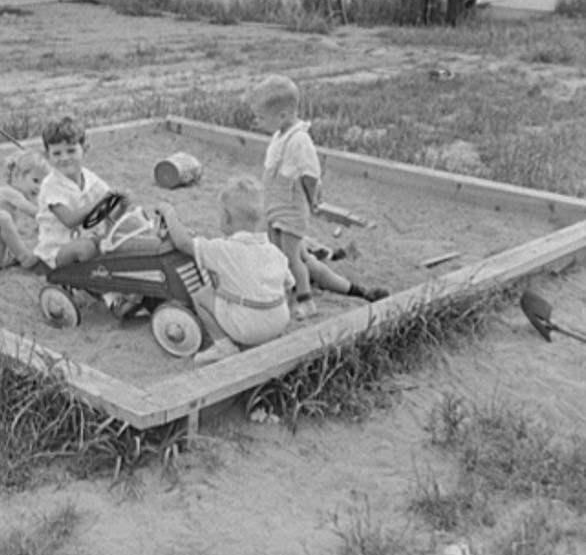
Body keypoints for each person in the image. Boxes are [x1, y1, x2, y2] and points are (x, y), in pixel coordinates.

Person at [250, 75, 388, 320]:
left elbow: (311, 174)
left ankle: (306, 300)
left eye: (260, 117)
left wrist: (314, 199)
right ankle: (356, 290)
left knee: (293, 258)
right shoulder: (279, 135)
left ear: (281, 115)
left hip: (291, 209)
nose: (256, 121)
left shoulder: (299, 139)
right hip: (275, 208)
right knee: (293, 256)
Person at [158, 177, 294, 365]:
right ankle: (268, 327)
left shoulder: (223, 249)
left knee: (202, 295)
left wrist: (169, 212)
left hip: (248, 330)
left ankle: (223, 346)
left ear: (227, 217)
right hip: (279, 321)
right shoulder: (274, 251)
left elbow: (183, 243)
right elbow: (288, 285)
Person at [33, 114, 137, 315]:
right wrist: (98, 201)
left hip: (89, 238)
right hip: (58, 251)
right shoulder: (51, 186)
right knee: (87, 248)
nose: (65, 158)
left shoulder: (90, 179)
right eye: (57, 153)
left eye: (71, 150)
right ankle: (111, 298)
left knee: (116, 238)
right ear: (47, 156)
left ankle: (129, 285)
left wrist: (122, 204)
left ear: (84, 149)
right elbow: (70, 219)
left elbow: (108, 216)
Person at [0, 150, 50, 270]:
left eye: (42, 184)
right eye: (35, 181)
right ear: (17, 175)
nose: (38, 188)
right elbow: (33, 211)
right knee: (2, 217)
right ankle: (25, 258)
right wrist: (55, 215)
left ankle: (23, 254)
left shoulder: (12, 195)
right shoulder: (7, 192)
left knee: (29, 237)